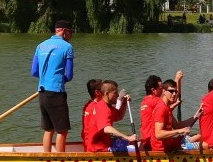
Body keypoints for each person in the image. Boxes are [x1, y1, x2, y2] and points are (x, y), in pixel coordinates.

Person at [31, 19, 74, 152]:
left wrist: (46, 79)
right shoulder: (67, 47)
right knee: (62, 131)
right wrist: (60, 80)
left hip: (42, 92)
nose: (71, 36)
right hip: (56, 92)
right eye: (70, 32)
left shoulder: (40, 45)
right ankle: (61, 161)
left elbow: (34, 71)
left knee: (49, 129)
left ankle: (47, 157)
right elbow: (69, 75)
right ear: (65, 31)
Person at [83, 80, 138, 152]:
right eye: (115, 93)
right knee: (134, 149)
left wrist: (124, 103)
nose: (118, 95)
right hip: (99, 150)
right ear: (107, 94)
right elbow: (107, 129)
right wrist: (127, 138)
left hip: (104, 144)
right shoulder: (102, 108)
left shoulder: (108, 106)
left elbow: (119, 116)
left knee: (130, 142)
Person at [150, 79, 201, 152]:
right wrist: (180, 131)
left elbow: (177, 126)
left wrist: (197, 115)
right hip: (162, 150)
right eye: (171, 91)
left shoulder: (166, 107)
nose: (174, 94)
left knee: (200, 136)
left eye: (175, 91)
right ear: (164, 91)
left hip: (171, 143)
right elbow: (158, 134)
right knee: (204, 145)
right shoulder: (161, 108)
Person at [139, 75, 165, 150]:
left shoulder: (145, 100)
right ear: (153, 90)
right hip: (151, 140)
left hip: (145, 138)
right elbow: (170, 98)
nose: (163, 90)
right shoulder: (155, 101)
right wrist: (177, 79)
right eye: (161, 88)